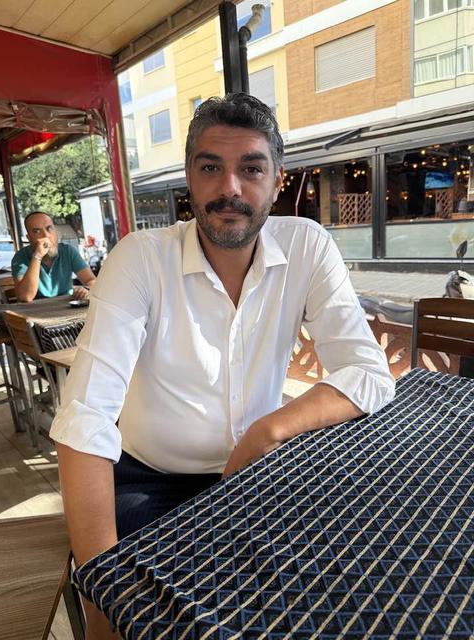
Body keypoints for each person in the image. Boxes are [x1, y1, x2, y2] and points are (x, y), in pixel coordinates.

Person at [51, 94, 395, 639]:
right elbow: (86, 416)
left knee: (339, 592)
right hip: (151, 481)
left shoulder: (306, 246)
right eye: (210, 167)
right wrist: (100, 589)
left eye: (251, 169)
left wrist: (269, 429)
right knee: (149, 618)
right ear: (189, 179)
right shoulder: (140, 257)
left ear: (277, 182)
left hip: (256, 472)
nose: (230, 188)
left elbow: (369, 373)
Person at [11, 211, 97, 302]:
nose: (46, 235)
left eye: (49, 229)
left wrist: (86, 290)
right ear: (29, 238)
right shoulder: (20, 257)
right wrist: (37, 256)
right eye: (37, 231)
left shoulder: (68, 251)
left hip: (66, 305)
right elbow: (25, 297)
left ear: (56, 232)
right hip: (35, 309)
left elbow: (91, 280)